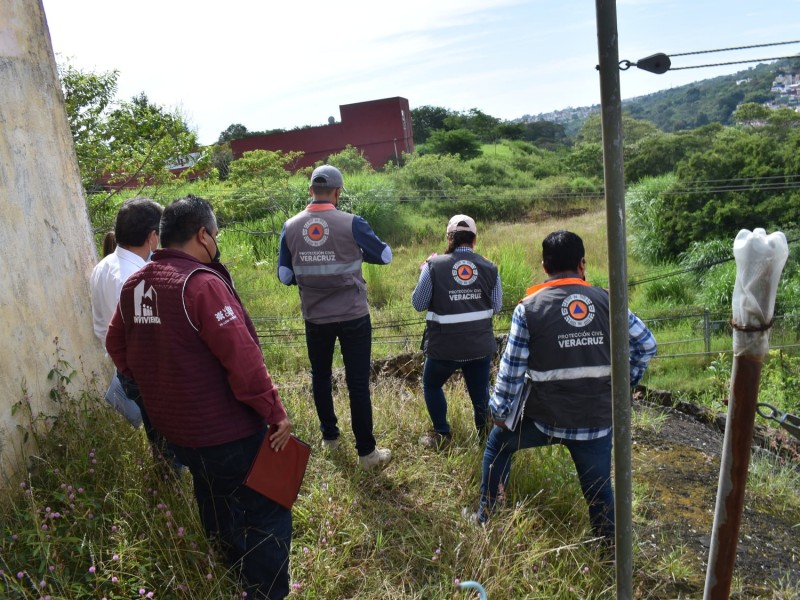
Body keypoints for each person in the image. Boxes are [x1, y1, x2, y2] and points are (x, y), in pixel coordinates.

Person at [106, 195, 293, 599]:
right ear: (203, 234)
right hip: (227, 431)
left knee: (212, 496)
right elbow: (243, 363)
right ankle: (266, 592)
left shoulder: (136, 284)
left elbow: (115, 343)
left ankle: (231, 572)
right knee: (269, 508)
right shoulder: (202, 284)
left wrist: (145, 387)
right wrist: (275, 411)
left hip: (178, 433)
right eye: (217, 233)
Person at [473, 230, 656, 542]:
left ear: (545, 266)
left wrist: (500, 412)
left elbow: (511, 370)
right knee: (599, 492)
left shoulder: (529, 308)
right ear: (582, 264)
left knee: (499, 443)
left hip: (544, 419)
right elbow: (646, 345)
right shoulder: (609, 302)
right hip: (595, 423)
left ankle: (486, 519)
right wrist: (622, 387)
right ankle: (608, 549)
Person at [278, 165, 392, 469]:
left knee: (321, 376)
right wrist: (355, 253)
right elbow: (385, 256)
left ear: (310, 190)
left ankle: (329, 437)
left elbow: (284, 274)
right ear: (338, 192)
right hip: (354, 315)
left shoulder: (289, 226)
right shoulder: (352, 223)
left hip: (315, 317)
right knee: (357, 382)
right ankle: (367, 453)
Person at [411, 214, 502, 449]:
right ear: (474, 239)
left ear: (449, 238)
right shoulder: (489, 267)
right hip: (479, 346)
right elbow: (497, 305)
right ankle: (485, 442)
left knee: (431, 385)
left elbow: (419, 304)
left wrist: (423, 270)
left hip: (444, 347)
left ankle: (442, 433)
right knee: (481, 393)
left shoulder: (433, 265)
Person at [90, 197, 162, 428]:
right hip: (143, 373)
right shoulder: (139, 278)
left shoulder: (102, 266)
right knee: (165, 437)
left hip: (121, 365)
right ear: (152, 237)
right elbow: (148, 338)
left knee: (156, 435)